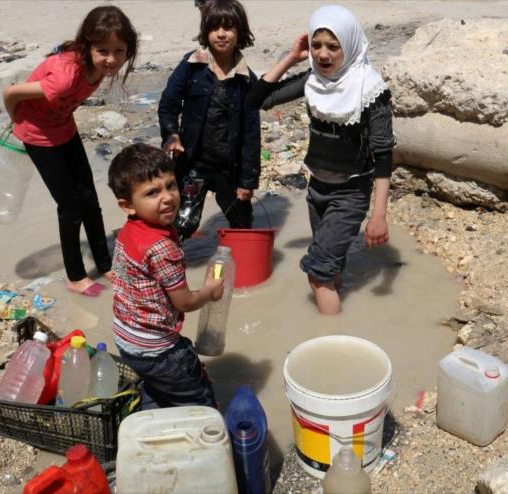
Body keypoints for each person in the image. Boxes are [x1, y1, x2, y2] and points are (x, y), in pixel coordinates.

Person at [246, 5, 394, 315]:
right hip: (317, 191)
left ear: (349, 46)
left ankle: (331, 342)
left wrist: (377, 215)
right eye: (316, 45)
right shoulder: (313, 80)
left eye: (332, 46)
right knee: (331, 265)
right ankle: (338, 313)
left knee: (317, 274)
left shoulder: (370, 90)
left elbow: (383, 157)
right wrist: (290, 57)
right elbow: (257, 100)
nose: (323, 55)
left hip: (351, 193)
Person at [3, 6, 138, 297]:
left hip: (64, 127)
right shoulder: (66, 76)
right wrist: (17, 123)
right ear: (87, 46)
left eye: (119, 50)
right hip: (38, 135)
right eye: (103, 50)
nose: (112, 59)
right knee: (70, 205)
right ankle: (76, 277)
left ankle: (104, 264)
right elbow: (11, 92)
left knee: (89, 196)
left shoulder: (98, 68)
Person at [107, 144, 224, 409]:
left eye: (171, 185)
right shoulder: (162, 248)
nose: (168, 197)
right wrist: (210, 290)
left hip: (127, 339)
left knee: (158, 389)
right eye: (152, 193)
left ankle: (150, 425)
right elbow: (184, 303)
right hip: (158, 349)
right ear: (127, 206)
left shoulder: (128, 231)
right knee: (198, 398)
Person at [158, 0, 261, 239]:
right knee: (182, 223)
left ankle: (242, 272)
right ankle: (168, 267)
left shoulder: (247, 80)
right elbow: (168, 104)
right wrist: (171, 134)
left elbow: (251, 135)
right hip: (194, 163)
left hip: (229, 168)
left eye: (229, 27)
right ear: (205, 32)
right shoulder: (191, 66)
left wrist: (248, 181)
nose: (222, 34)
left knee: (242, 223)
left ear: (240, 33)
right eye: (215, 28)